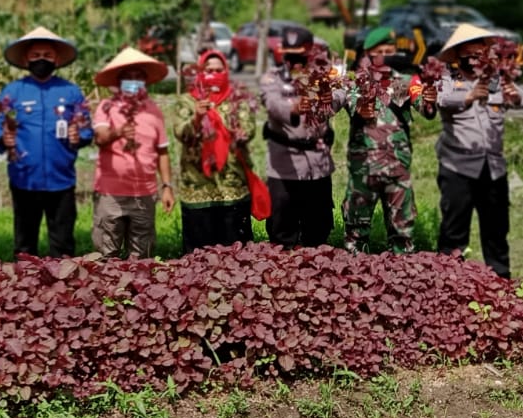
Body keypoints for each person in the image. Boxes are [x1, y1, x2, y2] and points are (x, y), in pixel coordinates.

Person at [420, 24, 523, 278]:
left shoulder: (496, 80)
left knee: (496, 232)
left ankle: (500, 285)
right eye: (467, 52)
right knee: (454, 233)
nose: (474, 56)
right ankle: (448, 286)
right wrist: (469, 95)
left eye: (479, 50)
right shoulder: (447, 79)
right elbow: (441, 100)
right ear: (457, 55)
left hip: (493, 168)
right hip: (458, 168)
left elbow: (522, 99)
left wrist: (516, 96)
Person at [0, 26, 93, 258]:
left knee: (63, 241)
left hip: (62, 178)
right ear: (26, 58)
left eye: (47, 55)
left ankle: (64, 288)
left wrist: (80, 136)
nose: (41, 60)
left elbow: (86, 129)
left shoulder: (71, 92)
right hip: (24, 177)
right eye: (35, 55)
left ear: (56, 58)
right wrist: (3, 138)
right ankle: (26, 288)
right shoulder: (12, 92)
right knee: (25, 243)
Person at [259, 26, 341, 248]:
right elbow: (271, 102)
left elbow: (341, 93)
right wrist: (293, 109)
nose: (294, 61)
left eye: (300, 56)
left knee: (318, 227)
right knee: (282, 228)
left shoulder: (323, 74)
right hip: (284, 164)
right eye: (289, 55)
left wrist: (326, 99)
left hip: (318, 163)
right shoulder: (273, 78)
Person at [89, 48, 175, 259]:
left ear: (145, 81)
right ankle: (109, 291)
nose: (134, 81)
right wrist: (118, 133)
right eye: (128, 77)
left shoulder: (153, 110)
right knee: (107, 252)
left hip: (144, 193)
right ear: (119, 81)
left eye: (139, 77)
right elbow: (99, 138)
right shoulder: (106, 107)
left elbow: (162, 151)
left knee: (142, 254)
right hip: (111, 192)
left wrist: (166, 187)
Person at [342, 28, 419, 255]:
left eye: (390, 51)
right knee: (356, 232)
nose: (385, 57)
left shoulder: (402, 82)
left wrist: (429, 90)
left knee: (402, 231)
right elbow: (356, 108)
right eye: (380, 52)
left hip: (397, 167)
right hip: (364, 168)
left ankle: (402, 281)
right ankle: (355, 280)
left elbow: (426, 105)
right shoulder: (356, 83)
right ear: (368, 54)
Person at [172, 50, 257, 253]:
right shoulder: (187, 101)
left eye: (219, 70)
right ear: (201, 72)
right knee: (199, 254)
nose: (214, 74)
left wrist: (237, 132)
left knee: (236, 252)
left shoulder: (237, 99)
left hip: (232, 185)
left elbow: (249, 130)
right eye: (209, 70)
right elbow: (180, 132)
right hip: (197, 186)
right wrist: (197, 119)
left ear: (226, 71)